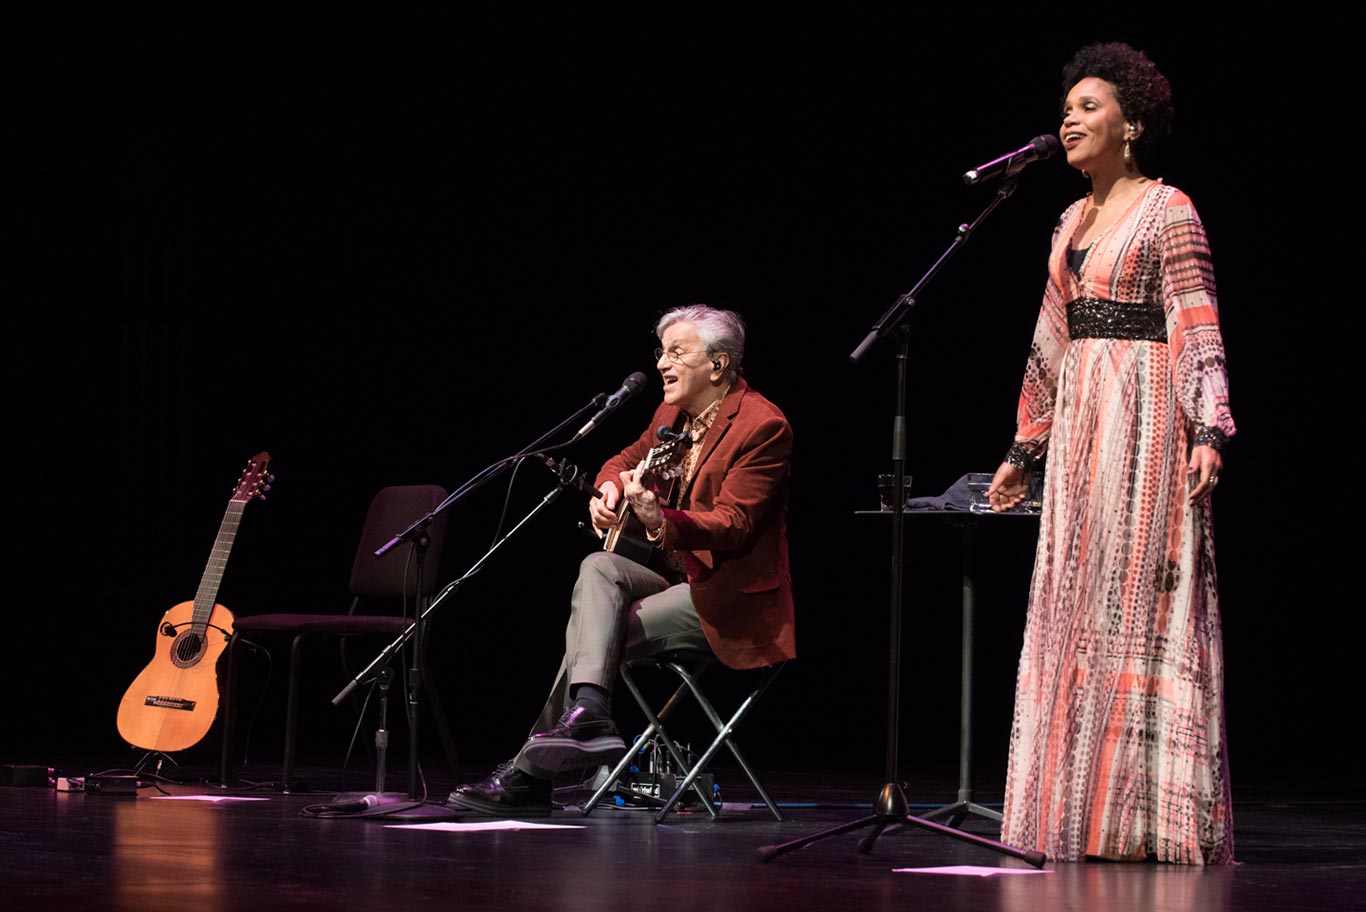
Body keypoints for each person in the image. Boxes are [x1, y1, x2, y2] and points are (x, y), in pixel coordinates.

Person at [986, 42, 1235, 864]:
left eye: (1089, 106)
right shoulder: (1067, 220)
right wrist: (1026, 448)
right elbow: (1050, 338)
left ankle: (1146, 818)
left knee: (1137, 603)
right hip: (1083, 424)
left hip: (1146, 417)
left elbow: (1195, 320)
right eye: (1068, 107)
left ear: (1130, 124)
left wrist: (1208, 430)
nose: (1070, 119)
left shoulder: (1171, 210)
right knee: (1077, 608)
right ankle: (1079, 811)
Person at [448, 303, 795, 816]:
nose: (661, 363)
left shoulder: (764, 426)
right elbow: (622, 460)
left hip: (725, 600)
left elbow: (734, 525)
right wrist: (608, 489)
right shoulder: (670, 415)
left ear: (719, 365)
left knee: (592, 632)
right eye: (661, 351)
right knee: (597, 567)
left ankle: (533, 772)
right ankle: (588, 713)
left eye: (677, 352)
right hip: (672, 582)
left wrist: (661, 519)